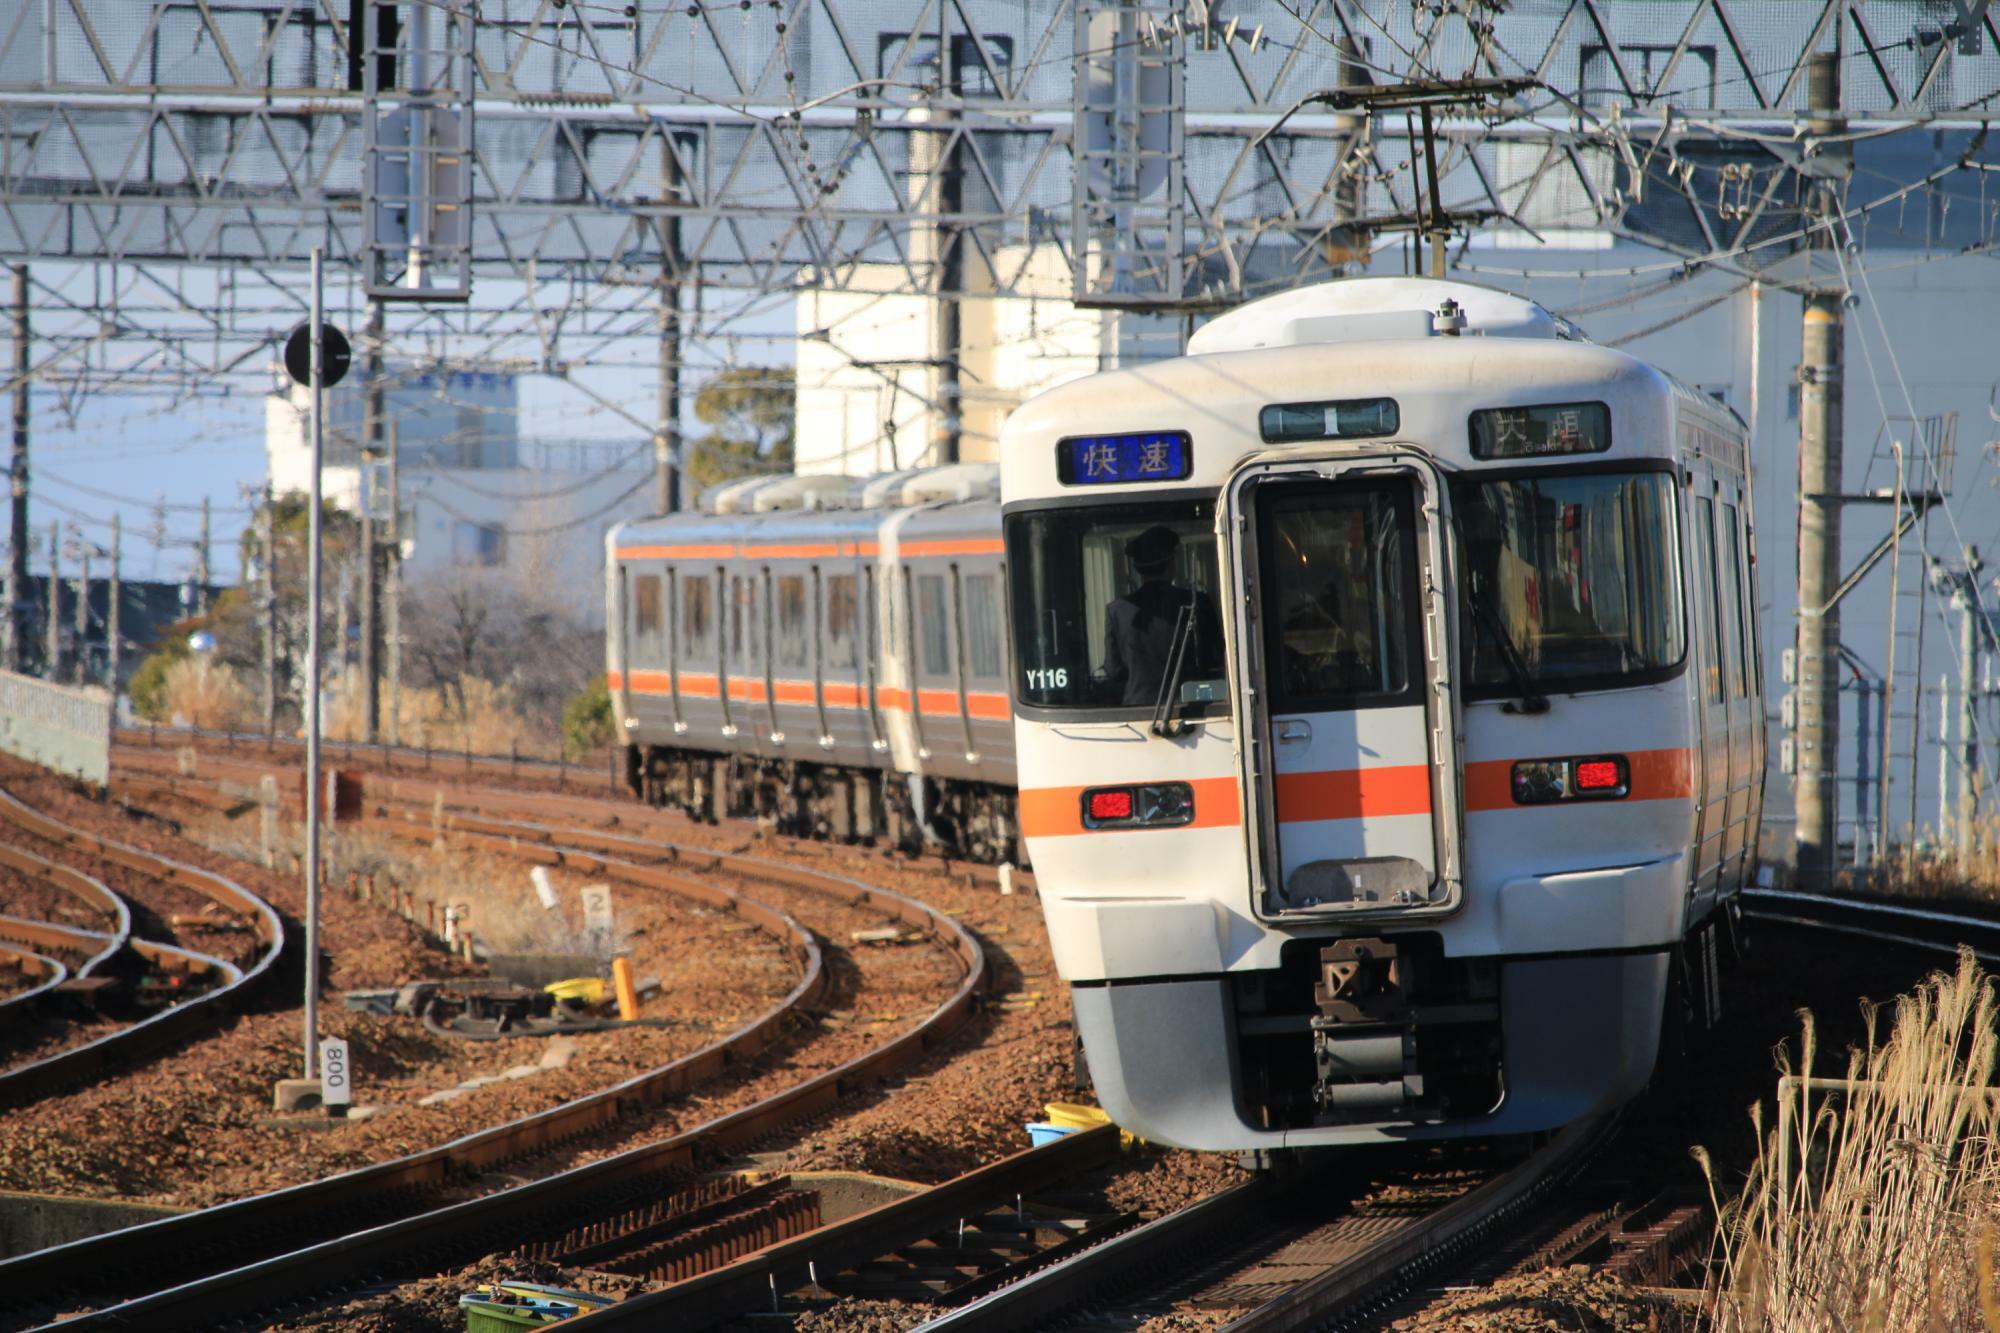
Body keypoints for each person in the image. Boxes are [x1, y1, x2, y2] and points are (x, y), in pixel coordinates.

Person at [1100, 525, 1222, 707]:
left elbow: (1113, 670)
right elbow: (1216, 657)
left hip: (1136, 710)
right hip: (1193, 707)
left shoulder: (1117, 611)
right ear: (1171, 563)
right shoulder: (1198, 602)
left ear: (1137, 569)